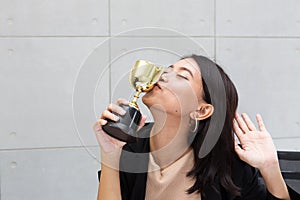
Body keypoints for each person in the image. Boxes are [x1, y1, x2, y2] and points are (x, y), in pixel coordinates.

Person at [93, 55, 299, 200]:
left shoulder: (228, 166)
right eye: (168, 69)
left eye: (182, 76)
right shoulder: (131, 148)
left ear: (202, 111)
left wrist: (270, 167)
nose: (162, 75)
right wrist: (111, 155)